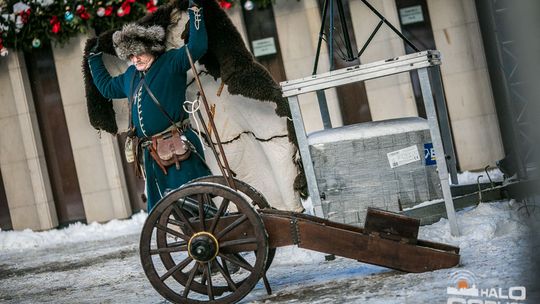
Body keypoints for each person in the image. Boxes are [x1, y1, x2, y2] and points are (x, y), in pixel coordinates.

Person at [87, 2, 210, 212]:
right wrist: (93, 58)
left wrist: (196, 11)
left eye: (139, 53)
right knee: (164, 211)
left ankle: (203, 238)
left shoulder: (171, 62)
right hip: (151, 154)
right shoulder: (130, 75)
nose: (135, 59)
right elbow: (107, 88)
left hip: (177, 146)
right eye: (131, 56)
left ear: (152, 48)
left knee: (194, 205)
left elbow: (197, 48)